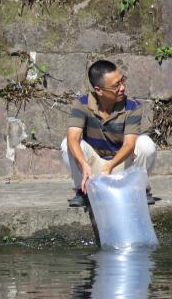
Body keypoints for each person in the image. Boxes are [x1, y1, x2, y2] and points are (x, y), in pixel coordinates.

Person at [61, 59, 159, 207]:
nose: (122, 88)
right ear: (99, 90)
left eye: (122, 81)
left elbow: (130, 144)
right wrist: (83, 164)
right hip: (94, 167)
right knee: (66, 143)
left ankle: (139, 189)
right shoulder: (81, 103)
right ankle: (82, 191)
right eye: (116, 86)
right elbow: (73, 138)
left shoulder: (133, 106)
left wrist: (110, 166)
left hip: (120, 165)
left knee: (146, 144)